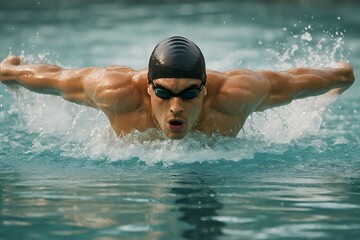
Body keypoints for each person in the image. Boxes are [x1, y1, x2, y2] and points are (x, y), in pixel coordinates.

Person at [0, 36, 355, 139]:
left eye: (188, 94)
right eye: (165, 92)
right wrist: (11, 73)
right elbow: (58, 79)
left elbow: (294, 83)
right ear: (148, 89)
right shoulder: (116, 92)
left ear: (204, 89)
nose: (175, 107)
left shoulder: (234, 95)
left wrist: (340, 77)